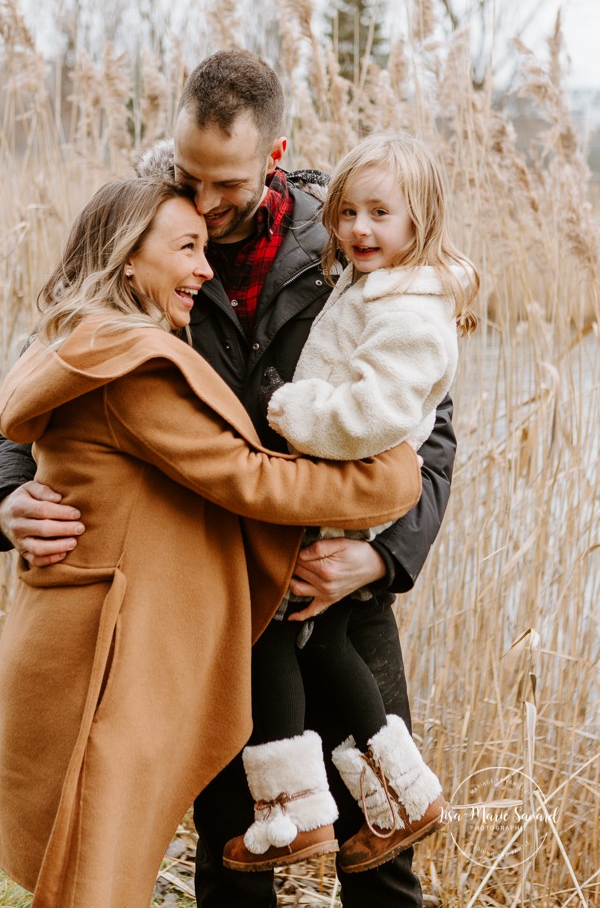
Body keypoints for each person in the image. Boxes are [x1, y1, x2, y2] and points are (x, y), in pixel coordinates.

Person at [0, 50, 457, 908]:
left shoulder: (345, 242)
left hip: (331, 578)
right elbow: (42, 374)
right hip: (210, 590)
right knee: (235, 838)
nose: (202, 201)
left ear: (275, 158)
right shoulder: (142, 229)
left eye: (225, 183)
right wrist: (3, 495)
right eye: (186, 173)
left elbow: (426, 418)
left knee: (375, 837)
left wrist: (384, 558)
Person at [222, 133, 479, 875]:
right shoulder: (374, 284)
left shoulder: (411, 308)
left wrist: (283, 407)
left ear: (419, 223)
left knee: (267, 620)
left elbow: (371, 413)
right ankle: (398, 798)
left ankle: (294, 811)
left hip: (348, 489)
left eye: (380, 214)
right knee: (319, 639)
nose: (359, 230)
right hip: (333, 483)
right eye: (347, 213)